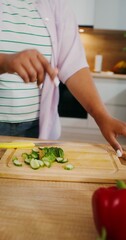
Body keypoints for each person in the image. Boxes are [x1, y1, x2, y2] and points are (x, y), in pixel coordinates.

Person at [0, 0, 126, 156]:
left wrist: (102, 116)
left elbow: (74, 66)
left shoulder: (56, 6)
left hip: (35, 128)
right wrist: (4, 62)